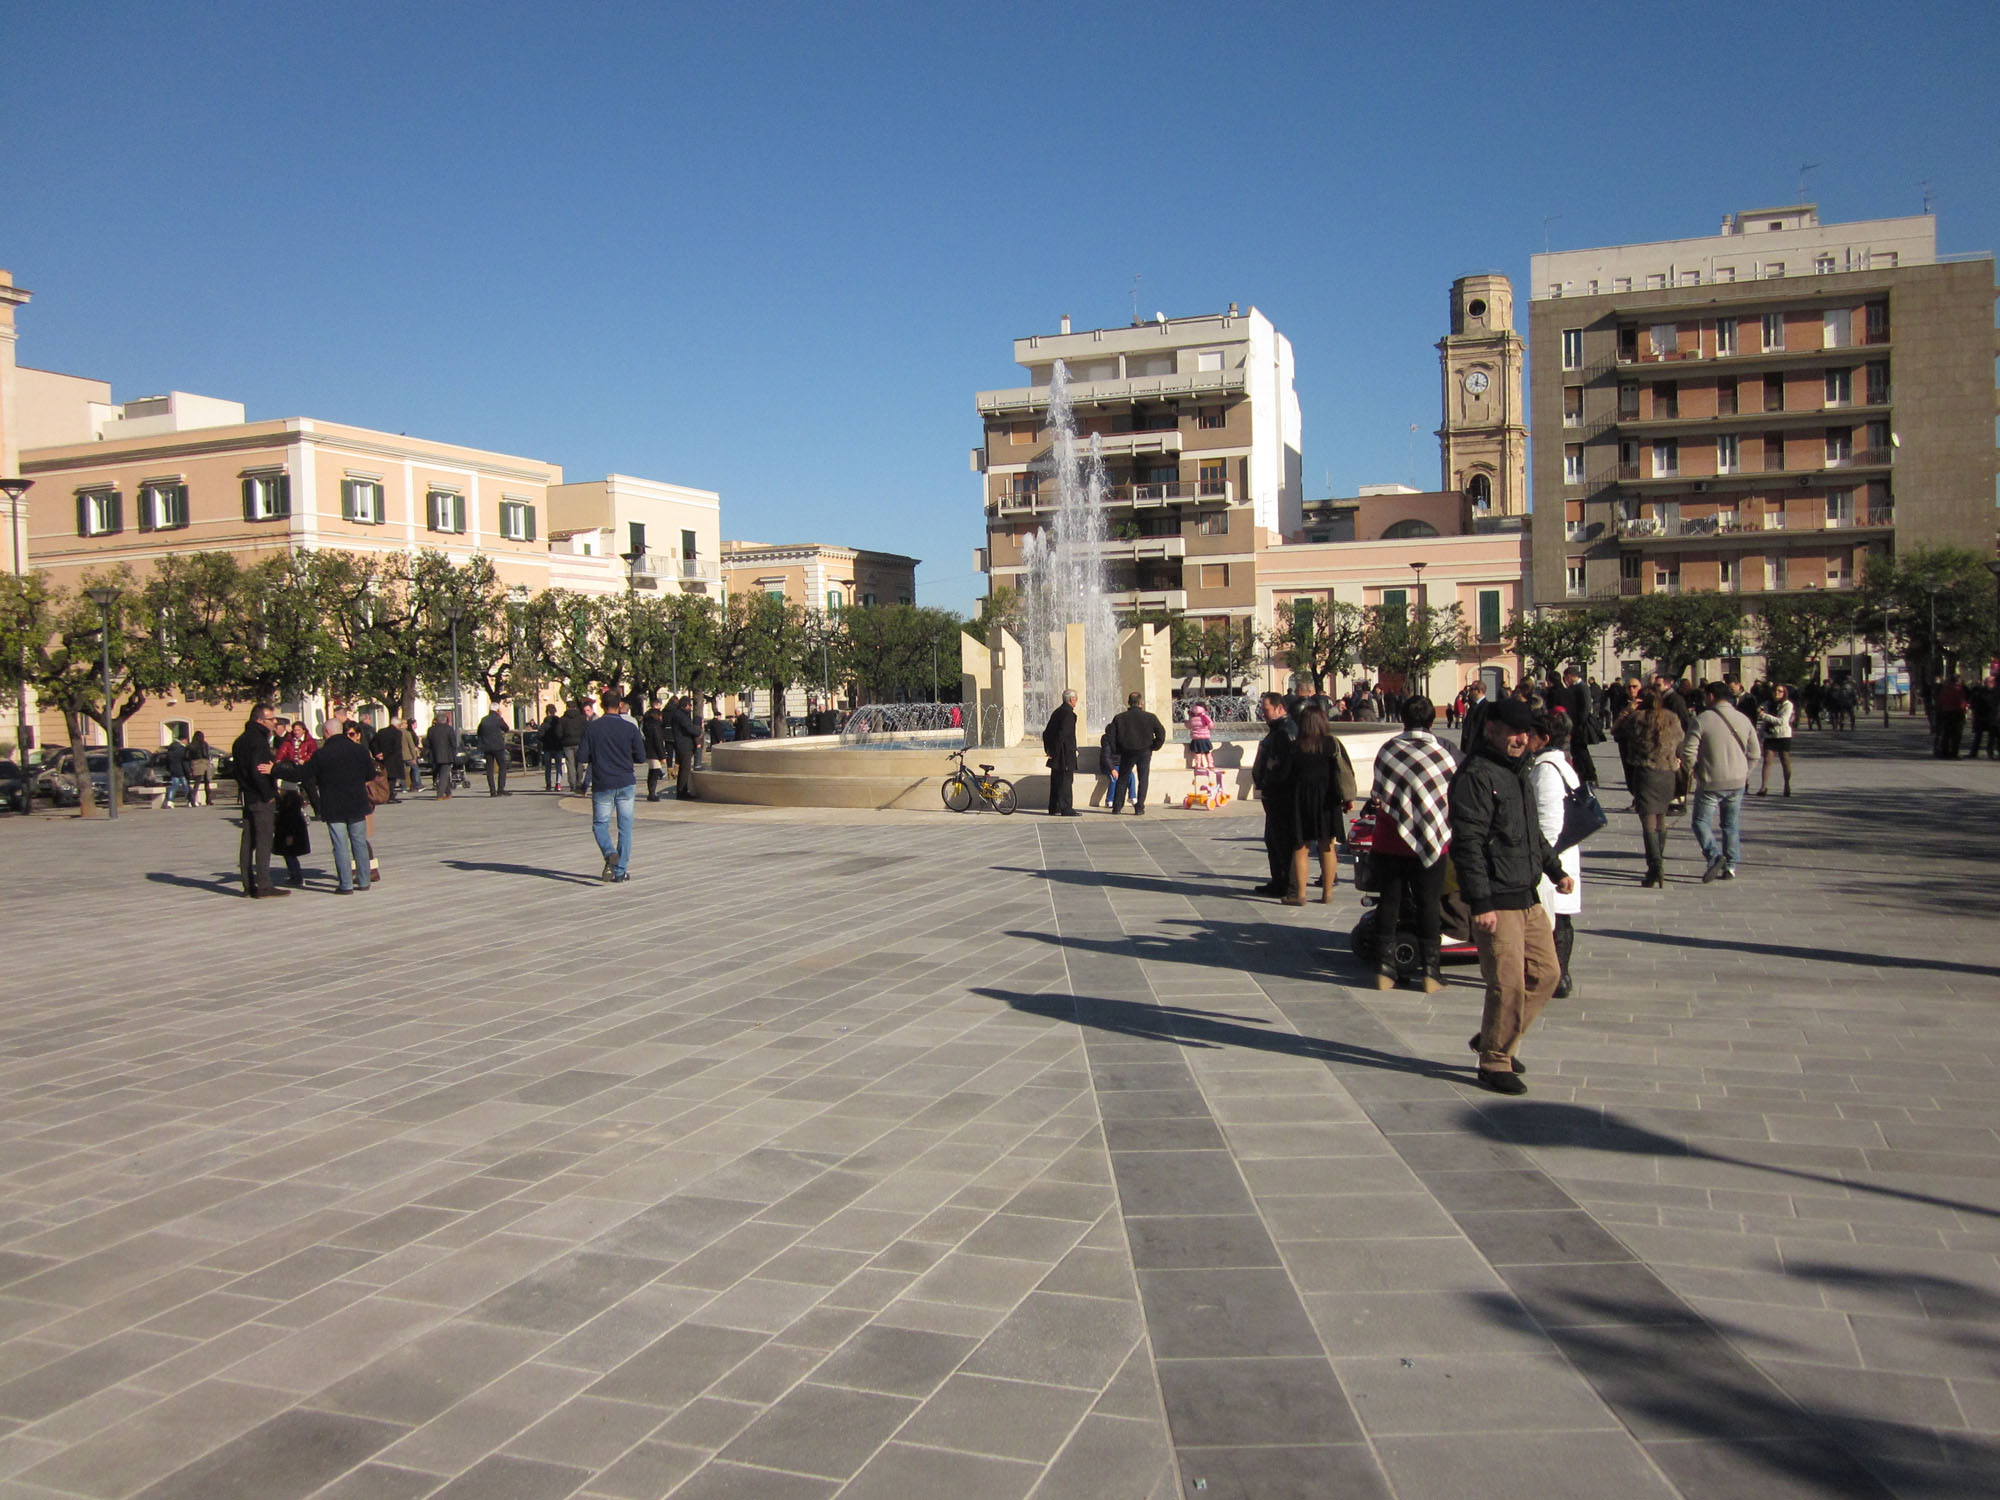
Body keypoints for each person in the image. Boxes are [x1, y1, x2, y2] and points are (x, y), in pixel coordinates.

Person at [1449, 697, 1573, 1094]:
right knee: (1507, 983)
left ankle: (1495, 1037)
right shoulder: (1477, 776)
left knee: (1547, 974)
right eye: (1513, 731)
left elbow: (1530, 831)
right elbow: (1467, 842)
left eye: (1527, 732)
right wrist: (1480, 902)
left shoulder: (1517, 771)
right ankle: (1494, 1060)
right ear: (1492, 730)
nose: (1521, 738)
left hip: (1527, 891)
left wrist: (1555, 871)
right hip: (1497, 897)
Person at [1368, 696, 1456, 993]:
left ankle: (1384, 969)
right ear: (1432, 721)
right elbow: (1447, 795)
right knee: (1428, 902)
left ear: (1402, 718)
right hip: (1431, 837)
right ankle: (1431, 973)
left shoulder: (1389, 750)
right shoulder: (1442, 753)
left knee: (1389, 901)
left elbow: (1380, 791)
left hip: (1391, 838)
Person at [1527, 711, 1582, 1001]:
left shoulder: (1547, 769)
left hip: (1553, 857)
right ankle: (1559, 975)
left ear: (1544, 739)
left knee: (1554, 917)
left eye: (1531, 734)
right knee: (1558, 916)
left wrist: (1542, 859)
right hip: (1559, 855)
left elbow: (1550, 820)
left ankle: (1557, 976)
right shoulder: (1559, 764)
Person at [1683, 682, 1759, 883]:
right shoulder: (1743, 719)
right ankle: (1731, 865)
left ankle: (1714, 854)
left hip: (1711, 781)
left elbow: (1688, 750)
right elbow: (1755, 753)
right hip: (1737, 781)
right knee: (1730, 824)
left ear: (1711, 696)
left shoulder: (1703, 719)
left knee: (1700, 822)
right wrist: (1745, 773)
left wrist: (1695, 770)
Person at [1284, 704, 1356, 905]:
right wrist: (1347, 798)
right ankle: (1327, 894)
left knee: (1301, 847)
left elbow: (1286, 775)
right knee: (1327, 845)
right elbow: (1343, 771)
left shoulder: (1295, 746)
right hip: (1328, 799)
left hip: (1302, 799)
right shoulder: (1332, 743)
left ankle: (1300, 895)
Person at [1614, 688, 1684, 888]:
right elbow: (1680, 742)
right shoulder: (1672, 718)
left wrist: (1627, 710)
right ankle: (1658, 860)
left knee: (1648, 822)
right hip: (1667, 773)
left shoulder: (1637, 718)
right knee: (1661, 818)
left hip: (1646, 773)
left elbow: (1615, 731)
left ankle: (1655, 867)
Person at [581, 687, 647, 881]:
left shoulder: (592, 728)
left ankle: (609, 852)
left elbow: (582, 756)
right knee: (625, 827)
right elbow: (641, 757)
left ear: (601, 705)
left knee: (600, 824)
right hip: (626, 781)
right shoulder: (629, 728)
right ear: (620, 705)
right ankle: (620, 871)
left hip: (603, 782)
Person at [307, 720, 376, 893]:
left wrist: (275, 770)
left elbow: (305, 775)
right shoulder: (359, 750)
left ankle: (345, 885)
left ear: (326, 733)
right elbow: (370, 774)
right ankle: (364, 880)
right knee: (359, 842)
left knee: (340, 845)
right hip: (357, 803)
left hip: (333, 804)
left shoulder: (322, 754)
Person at [230, 704, 287, 899]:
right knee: (263, 840)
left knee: (248, 840)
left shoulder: (240, 741)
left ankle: (247, 884)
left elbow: (236, 770)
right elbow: (259, 770)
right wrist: (268, 793)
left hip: (247, 795)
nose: (275, 723)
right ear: (260, 720)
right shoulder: (258, 742)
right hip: (260, 798)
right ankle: (263, 884)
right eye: (271, 719)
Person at [1251, 692, 1298, 896]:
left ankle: (1286, 883)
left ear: (1280, 708)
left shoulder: (1285, 731)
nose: (1263, 713)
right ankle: (1278, 881)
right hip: (1273, 792)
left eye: (1266, 709)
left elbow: (1285, 764)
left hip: (1280, 794)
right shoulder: (1279, 730)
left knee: (1281, 840)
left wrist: (1271, 779)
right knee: (1273, 840)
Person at [1107, 692, 1167, 814]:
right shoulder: (1150, 717)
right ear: (1141, 703)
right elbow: (1161, 733)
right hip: (1145, 751)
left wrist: (1117, 750)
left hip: (1127, 751)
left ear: (1128, 702)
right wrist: (1154, 746)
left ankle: (1117, 807)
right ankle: (1139, 807)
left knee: (1123, 778)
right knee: (1143, 779)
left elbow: (1111, 736)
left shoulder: (1120, 718)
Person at [1041, 689, 1079, 817]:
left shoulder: (1057, 712)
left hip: (1057, 754)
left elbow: (1046, 733)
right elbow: (1062, 735)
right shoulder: (1068, 714)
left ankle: (1054, 807)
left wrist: (1049, 750)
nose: (1076, 701)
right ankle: (1066, 808)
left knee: (1057, 781)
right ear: (1071, 700)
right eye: (1076, 699)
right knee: (1066, 781)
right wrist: (1056, 751)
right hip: (1064, 755)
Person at [1756, 683, 1796, 796]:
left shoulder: (1787, 705)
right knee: (1767, 760)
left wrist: (1763, 715)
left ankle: (1787, 784)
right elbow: (1761, 715)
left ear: (1784, 693)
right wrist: (1760, 735)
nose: (1777, 693)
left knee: (1785, 760)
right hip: (1770, 735)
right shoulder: (1768, 703)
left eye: (1780, 691)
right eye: (1775, 691)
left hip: (1783, 735)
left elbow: (1782, 721)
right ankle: (1763, 787)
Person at [666, 695, 700, 799]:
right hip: (684, 745)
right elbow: (689, 728)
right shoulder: (681, 715)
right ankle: (682, 791)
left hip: (681, 744)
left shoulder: (678, 714)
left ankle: (682, 790)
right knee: (685, 769)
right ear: (686, 705)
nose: (690, 707)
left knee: (683, 769)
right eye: (689, 705)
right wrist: (698, 732)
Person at [477, 701, 510, 795]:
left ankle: (492, 790)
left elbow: (479, 732)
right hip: (498, 746)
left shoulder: (484, 720)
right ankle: (501, 789)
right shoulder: (498, 719)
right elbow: (506, 728)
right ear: (498, 710)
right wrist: (500, 717)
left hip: (487, 747)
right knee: (502, 766)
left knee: (489, 769)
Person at [1934, 675, 1969, 760]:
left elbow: (1940, 701)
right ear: (1958, 681)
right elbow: (1961, 702)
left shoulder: (1944, 689)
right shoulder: (1958, 689)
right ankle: (1954, 753)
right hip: (1957, 713)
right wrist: (1964, 710)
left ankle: (1944, 752)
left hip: (1946, 712)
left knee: (1946, 734)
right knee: (1956, 735)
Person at [370, 720, 405, 804]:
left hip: (381, 760)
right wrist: (385, 754)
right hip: (393, 759)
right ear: (398, 725)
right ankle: (390, 796)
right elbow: (395, 747)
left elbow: (373, 743)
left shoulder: (381, 731)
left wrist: (377, 753)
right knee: (392, 779)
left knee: (383, 779)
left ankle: (384, 795)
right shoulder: (397, 733)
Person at [424, 713, 457, 799]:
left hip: (435, 755)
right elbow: (453, 743)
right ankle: (440, 794)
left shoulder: (431, 730)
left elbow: (427, 743)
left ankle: (448, 792)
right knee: (444, 775)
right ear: (445, 720)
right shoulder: (449, 729)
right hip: (447, 755)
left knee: (441, 774)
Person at [642, 697, 668, 801]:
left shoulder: (647, 724)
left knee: (653, 770)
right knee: (655, 771)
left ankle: (651, 792)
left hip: (649, 749)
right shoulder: (656, 727)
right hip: (654, 752)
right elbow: (658, 741)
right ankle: (652, 793)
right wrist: (662, 756)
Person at [560, 699, 588, 793]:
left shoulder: (563, 720)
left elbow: (559, 732)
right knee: (580, 763)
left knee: (570, 764)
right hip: (580, 742)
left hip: (567, 743)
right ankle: (579, 781)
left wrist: (562, 740)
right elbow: (586, 730)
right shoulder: (582, 718)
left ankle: (572, 784)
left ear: (567, 707)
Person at [1458, 679, 1491, 755]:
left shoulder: (1486, 707)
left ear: (1479, 691)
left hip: (1477, 751)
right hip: (1467, 749)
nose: (1469, 692)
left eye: (1472, 689)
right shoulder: (1473, 706)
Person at [1970, 675, 1999, 761]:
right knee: (1978, 736)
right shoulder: (1980, 691)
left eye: (1989, 682)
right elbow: (1975, 703)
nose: (1987, 684)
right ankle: (1974, 752)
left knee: (1992, 737)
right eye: (1986, 682)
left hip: (1992, 717)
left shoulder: (1996, 691)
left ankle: (1990, 752)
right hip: (1981, 717)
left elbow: (1993, 704)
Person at [539, 705, 565, 790]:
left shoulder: (544, 724)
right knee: (558, 766)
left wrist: (544, 740)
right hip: (558, 747)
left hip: (547, 748)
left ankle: (548, 784)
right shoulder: (559, 723)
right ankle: (558, 783)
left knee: (548, 767)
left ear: (547, 712)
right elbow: (562, 734)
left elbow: (539, 735)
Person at [1185, 700, 1214, 773]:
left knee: (1197, 752)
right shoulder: (1205, 717)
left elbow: (1189, 726)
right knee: (1207, 751)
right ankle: (1210, 764)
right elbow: (1211, 726)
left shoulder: (1192, 718)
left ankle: (1198, 765)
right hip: (1205, 738)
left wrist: (1185, 722)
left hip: (1196, 738)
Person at [163, 734, 191, 809]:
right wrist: (188, 771)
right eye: (186, 741)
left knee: (174, 786)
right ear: (183, 740)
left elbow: (167, 761)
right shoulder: (182, 749)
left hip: (173, 770)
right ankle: (190, 800)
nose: (187, 742)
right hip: (181, 770)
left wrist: (169, 769)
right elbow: (184, 761)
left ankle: (169, 801)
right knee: (185, 786)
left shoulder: (171, 748)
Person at [187, 730, 213, 807]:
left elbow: (186, 756)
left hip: (195, 763)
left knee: (197, 783)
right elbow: (205, 754)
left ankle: (192, 799)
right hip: (204, 762)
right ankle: (208, 800)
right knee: (207, 782)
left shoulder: (191, 745)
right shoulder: (204, 744)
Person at [400, 719, 423, 794]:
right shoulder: (407, 733)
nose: (407, 725)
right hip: (408, 755)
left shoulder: (396, 733)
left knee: (403, 771)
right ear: (402, 724)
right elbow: (411, 746)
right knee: (415, 769)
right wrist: (414, 757)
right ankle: (418, 785)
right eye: (406, 723)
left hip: (399, 755)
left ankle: (403, 787)